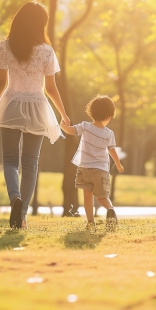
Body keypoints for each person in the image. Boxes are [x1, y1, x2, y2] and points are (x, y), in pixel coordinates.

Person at [0, 0, 69, 229]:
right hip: (37, 107)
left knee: (9, 161)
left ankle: (14, 197)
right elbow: (51, 88)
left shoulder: (5, 46)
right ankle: (22, 214)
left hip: (12, 104)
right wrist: (63, 115)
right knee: (30, 163)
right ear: (40, 24)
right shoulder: (46, 51)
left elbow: (1, 81)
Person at [60, 95, 124, 230]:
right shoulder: (109, 133)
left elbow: (71, 130)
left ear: (91, 113)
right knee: (102, 197)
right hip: (101, 170)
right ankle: (110, 209)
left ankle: (90, 223)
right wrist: (118, 164)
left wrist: (62, 126)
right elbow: (112, 150)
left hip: (85, 169)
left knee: (87, 197)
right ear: (108, 117)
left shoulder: (85, 126)